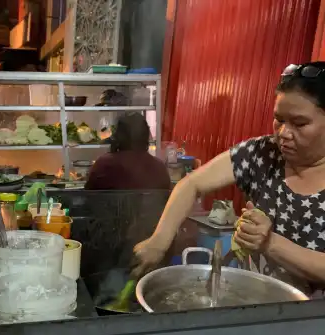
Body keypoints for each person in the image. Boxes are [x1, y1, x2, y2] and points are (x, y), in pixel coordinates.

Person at [133, 61, 325, 297]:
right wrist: (159, 241)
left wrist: (271, 243)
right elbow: (192, 184)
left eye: (299, 123)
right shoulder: (262, 153)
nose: (283, 133)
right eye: (279, 120)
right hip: (252, 305)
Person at [85, 112, 171, 190]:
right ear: (146, 136)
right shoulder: (159, 167)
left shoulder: (103, 164)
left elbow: (88, 195)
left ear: (118, 136)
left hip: (108, 207)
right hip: (150, 207)